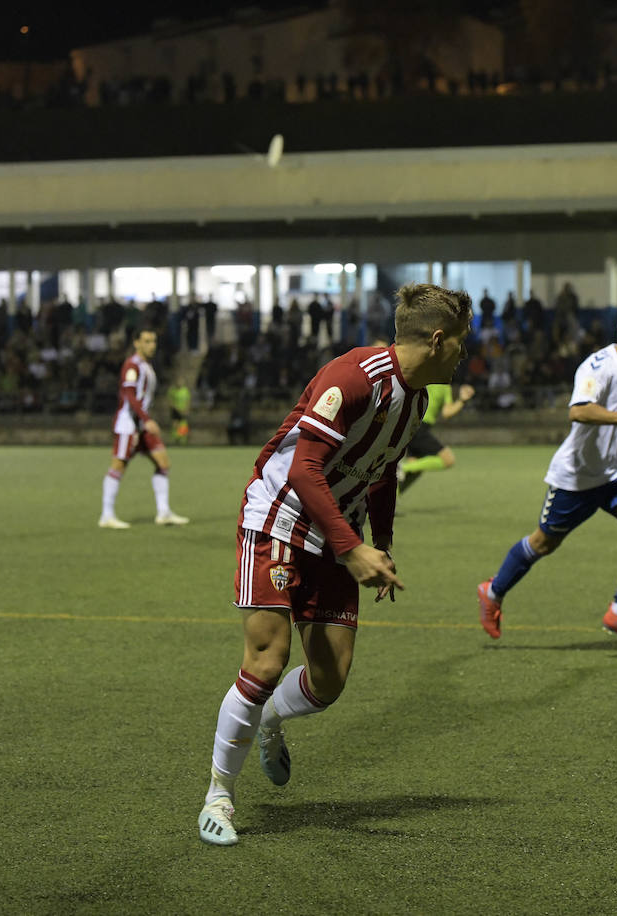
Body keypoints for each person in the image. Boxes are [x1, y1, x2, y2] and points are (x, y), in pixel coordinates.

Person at [197, 283, 472, 846]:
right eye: (461, 344)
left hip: (335, 530)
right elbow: (302, 470)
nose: (464, 355)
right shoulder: (354, 376)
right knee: (267, 661)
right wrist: (352, 547)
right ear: (438, 339)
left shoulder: (414, 400)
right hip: (277, 518)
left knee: (330, 680)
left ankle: (271, 719)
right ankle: (219, 796)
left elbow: (383, 471)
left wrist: (384, 541)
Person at [475, 301, 617, 647]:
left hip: (615, 469)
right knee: (543, 543)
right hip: (578, 475)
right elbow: (578, 411)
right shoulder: (599, 365)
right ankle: (492, 592)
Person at [98, 329, 188, 529]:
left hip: (141, 425)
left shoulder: (145, 366)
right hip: (129, 424)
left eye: (154, 341)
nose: (151, 345)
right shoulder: (132, 365)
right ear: (136, 342)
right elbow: (129, 394)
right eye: (147, 341)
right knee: (118, 466)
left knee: (163, 462)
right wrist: (146, 419)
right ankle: (106, 514)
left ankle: (163, 512)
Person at [397, 381, 476, 493]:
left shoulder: (422, 376)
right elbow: (447, 413)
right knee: (448, 460)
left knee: (415, 469)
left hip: (407, 424)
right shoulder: (444, 384)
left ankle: (389, 504)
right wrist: (462, 400)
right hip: (419, 428)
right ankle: (402, 468)